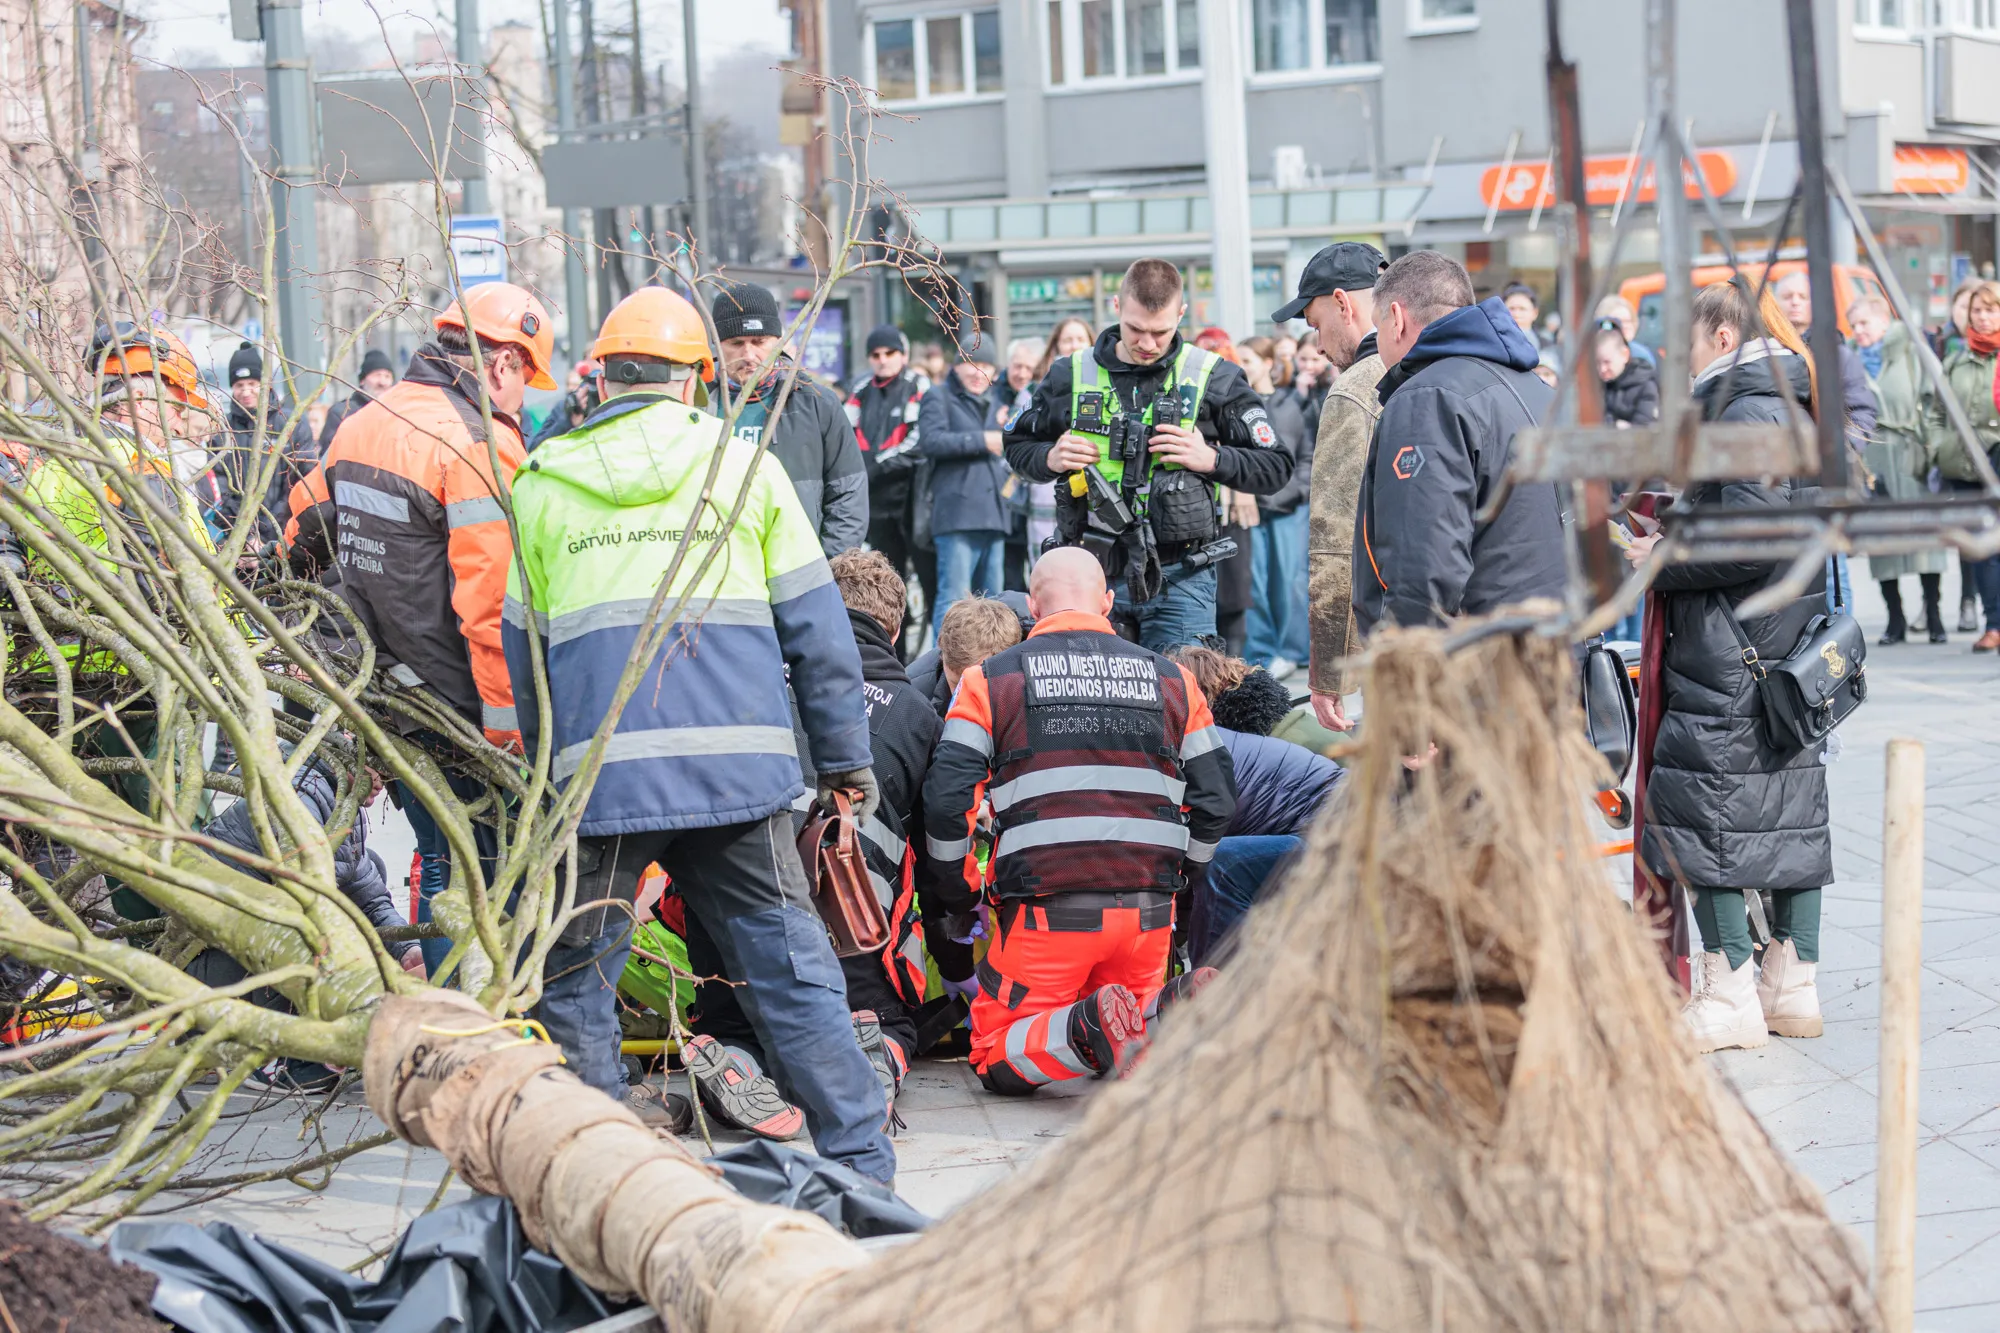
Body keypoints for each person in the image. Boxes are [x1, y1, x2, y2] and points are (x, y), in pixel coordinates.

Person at [500, 284, 895, 1181]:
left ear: (599, 380)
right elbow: (819, 632)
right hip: (738, 779)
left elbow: (523, 656)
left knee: (579, 989)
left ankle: (606, 1184)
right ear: (694, 382)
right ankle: (864, 1167)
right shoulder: (741, 468)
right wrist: (843, 762)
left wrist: (546, 778)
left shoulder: (541, 484)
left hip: (600, 784)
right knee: (792, 974)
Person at [284, 282, 549, 976]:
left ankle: (450, 1024)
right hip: (461, 699)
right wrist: (506, 731)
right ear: (502, 366)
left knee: (438, 860)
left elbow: (300, 533)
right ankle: (484, 1026)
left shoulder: (365, 420)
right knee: (486, 871)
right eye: (527, 379)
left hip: (388, 689)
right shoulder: (475, 445)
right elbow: (491, 610)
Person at [921, 548, 1236, 1094]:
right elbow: (1216, 799)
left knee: (995, 1053)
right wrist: (1184, 882)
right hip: (1147, 918)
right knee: (1126, 1030)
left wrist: (959, 892)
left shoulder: (989, 681)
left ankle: (1086, 1024)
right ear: (1109, 602)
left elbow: (948, 803)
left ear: (1033, 603)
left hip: (1048, 919)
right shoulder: (1175, 680)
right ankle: (1172, 1007)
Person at [1625, 279, 1832, 1054]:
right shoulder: (1785, 401)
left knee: (1700, 809)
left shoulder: (1745, 410)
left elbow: (1750, 541)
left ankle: (1730, 992)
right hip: (1781, 647)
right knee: (1787, 809)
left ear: (1718, 335)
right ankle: (1792, 983)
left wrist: (1658, 557)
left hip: (1733, 652)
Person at [1004, 259, 1289, 652]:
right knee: (1096, 705)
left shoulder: (1215, 376)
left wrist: (1210, 459)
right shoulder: (1069, 373)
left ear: (1182, 315)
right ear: (1116, 306)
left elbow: (1276, 465)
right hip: (1090, 576)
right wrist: (1050, 457)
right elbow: (1016, 446)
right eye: (1135, 329)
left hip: (1182, 579)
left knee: (1183, 700)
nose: (1147, 343)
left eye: (1160, 331)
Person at [1351, 251, 1566, 660]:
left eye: (1377, 326)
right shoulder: (1535, 386)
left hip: (1483, 665)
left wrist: (1410, 671)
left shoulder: (1428, 398)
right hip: (1554, 648)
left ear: (1396, 318)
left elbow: (1424, 563)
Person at [1167, 646, 1343, 964]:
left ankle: (1216, 997)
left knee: (1221, 864)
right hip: (1324, 817)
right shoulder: (1205, 734)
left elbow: (1199, 846)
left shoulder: (1188, 745)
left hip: (1343, 826)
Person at [1279, 242, 1389, 735]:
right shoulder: (1475, 369)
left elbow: (1335, 542)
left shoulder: (1357, 389)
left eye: (1316, 323)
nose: (1319, 346)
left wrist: (1328, 672)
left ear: (1343, 303)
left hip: (1397, 635)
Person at [712, 281, 867, 558]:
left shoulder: (817, 402)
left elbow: (848, 495)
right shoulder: (697, 404)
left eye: (759, 342)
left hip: (800, 571)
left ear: (778, 342)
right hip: (719, 571)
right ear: (718, 345)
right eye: (736, 343)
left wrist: (825, 568)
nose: (749, 355)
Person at [1851, 294, 1949, 644]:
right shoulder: (1851, 360)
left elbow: (1936, 397)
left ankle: (1935, 616)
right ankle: (1896, 620)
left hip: (1912, 454)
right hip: (1872, 460)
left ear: (1882, 321)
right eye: (1854, 325)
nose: (1858, 331)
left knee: (1927, 539)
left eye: (1863, 323)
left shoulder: (1911, 350)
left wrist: (1932, 444)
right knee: (1882, 544)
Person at [917, 339, 1012, 638]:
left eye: (984, 366)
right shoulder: (938, 396)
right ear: (955, 367)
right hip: (956, 515)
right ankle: (938, 669)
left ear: (994, 372)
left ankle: (991, 670)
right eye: (969, 364)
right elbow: (931, 442)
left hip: (995, 514)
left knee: (994, 603)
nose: (977, 372)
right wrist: (982, 439)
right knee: (953, 600)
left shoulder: (998, 402)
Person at [1926, 278, 2000, 652]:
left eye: (1990, 310)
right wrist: (1940, 448)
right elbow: (1937, 414)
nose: (1983, 318)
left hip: (1998, 461)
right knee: (1982, 549)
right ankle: (1994, 625)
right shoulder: (1955, 361)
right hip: (1965, 468)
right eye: (1977, 311)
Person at [845, 324, 931, 643]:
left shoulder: (918, 385)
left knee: (928, 581)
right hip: (875, 503)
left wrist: (878, 465)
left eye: (889, 353)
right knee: (886, 585)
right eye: (876, 354)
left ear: (903, 354)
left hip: (912, 499)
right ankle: (893, 652)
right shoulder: (861, 390)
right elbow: (846, 432)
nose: (883, 360)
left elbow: (919, 439)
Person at [1236, 336, 1311, 676]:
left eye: (1248, 360)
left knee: (1289, 581)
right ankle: (1261, 652)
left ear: (1267, 363)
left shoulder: (1288, 403)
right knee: (1255, 582)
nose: (1242, 367)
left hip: (1288, 507)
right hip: (1252, 509)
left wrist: (1299, 490)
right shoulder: (1237, 404)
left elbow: (1301, 456)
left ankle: (1293, 649)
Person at [204, 340, 319, 547]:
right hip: (238, 543)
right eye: (239, 385)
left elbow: (301, 482)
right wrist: (243, 537)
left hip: (285, 536)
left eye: (252, 384)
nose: (246, 391)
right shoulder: (223, 431)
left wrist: (265, 536)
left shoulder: (290, 424)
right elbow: (221, 489)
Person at [907, 593, 1026, 720]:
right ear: (942, 654)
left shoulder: (1037, 663)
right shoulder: (910, 695)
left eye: (972, 684)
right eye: (956, 684)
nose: (962, 697)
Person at [318, 348, 397, 450]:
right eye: (377, 375)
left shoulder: (398, 413)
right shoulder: (342, 413)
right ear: (362, 380)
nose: (382, 382)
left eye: (387, 376)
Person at [1595, 321, 1660, 426]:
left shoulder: (1644, 383)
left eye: (1607, 362)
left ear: (1625, 355)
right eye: (1597, 363)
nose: (1602, 369)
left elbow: (1645, 425)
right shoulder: (1595, 385)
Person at [1289, 330, 1332, 437]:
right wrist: (1300, 394)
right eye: (1303, 359)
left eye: (1315, 360)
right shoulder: (1287, 384)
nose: (1308, 366)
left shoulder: (1331, 385)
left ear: (1326, 359)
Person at [1595, 294, 1656, 367]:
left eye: (1628, 321)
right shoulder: (1593, 354)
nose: (1625, 326)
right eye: (1618, 321)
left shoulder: (1641, 355)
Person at [1501, 281, 1554, 352]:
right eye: (1511, 308)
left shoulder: (1546, 346)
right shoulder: (1495, 342)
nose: (1516, 314)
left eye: (1522, 309)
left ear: (1535, 313)